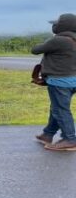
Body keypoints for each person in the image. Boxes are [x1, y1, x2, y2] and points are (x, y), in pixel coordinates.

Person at [31, 13, 76, 151]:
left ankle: (70, 138)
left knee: (60, 110)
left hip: (59, 81)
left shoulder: (59, 40)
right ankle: (47, 134)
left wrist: (50, 40)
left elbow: (35, 50)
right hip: (72, 81)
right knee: (57, 108)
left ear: (62, 26)